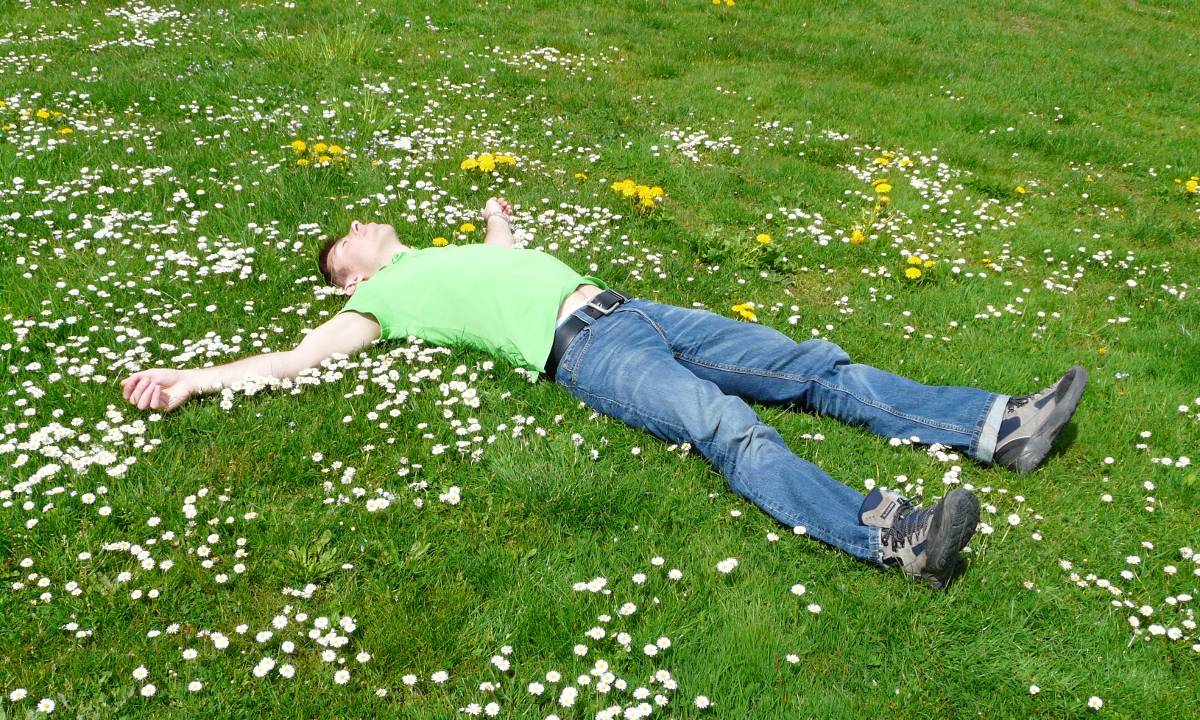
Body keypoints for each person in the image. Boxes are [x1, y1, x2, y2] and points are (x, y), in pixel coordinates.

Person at [120, 196, 1087, 590]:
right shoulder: (380, 303)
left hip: (635, 308)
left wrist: (499, 220)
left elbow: (501, 259)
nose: (363, 227)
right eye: (347, 244)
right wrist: (194, 378)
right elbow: (294, 361)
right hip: (582, 351)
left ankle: (998, 426)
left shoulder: (441, 254)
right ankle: (893, 536)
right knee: (726, 426)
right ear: (350, 279)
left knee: (810, 364)